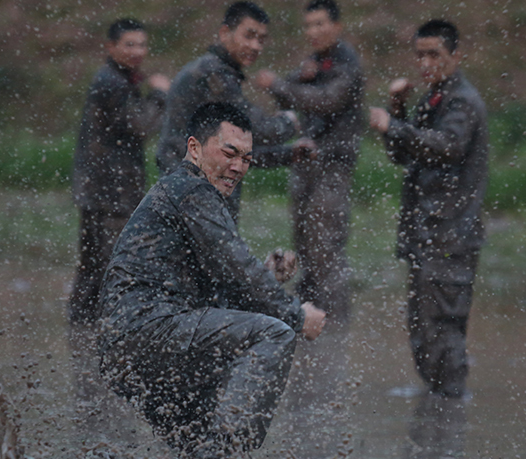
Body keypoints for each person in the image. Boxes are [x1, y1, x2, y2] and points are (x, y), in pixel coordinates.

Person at [99, 103, 326, 459]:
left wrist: (266, 275)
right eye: (229, 153)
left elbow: (219, 284)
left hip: (133, 344)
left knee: (196, 441)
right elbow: (237, 269)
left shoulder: (186, 194)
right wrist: (296, 315)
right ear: (194, 148)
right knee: (275, 334)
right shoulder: (192, 190)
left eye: (247, 159)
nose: (238, 167)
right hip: (149, 331)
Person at [369, 19, 488, 398]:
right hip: (428, 235)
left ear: (455, 56)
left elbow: (446, 146)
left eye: (433, 55)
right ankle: (436, 415)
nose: (425, 64)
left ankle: (450, 415)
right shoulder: (434, 98)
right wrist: (398, 110)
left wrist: (394, 126)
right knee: (423, 330)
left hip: (450, 237)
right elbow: (404, 153)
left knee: (444, 331)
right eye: (419, 55)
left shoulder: (462, 102)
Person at [254, 0, 364, 323]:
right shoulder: (316, 61)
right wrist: (292, 81)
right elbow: (296, 91)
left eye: (319, 24)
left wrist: (279, 84)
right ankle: (307, 321)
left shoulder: (346, 63)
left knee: (325, 251)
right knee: (303, 248)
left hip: (332, 168)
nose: (312, 32)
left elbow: (328, 100)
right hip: (305, 164)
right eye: (308, 25)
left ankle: (334, 329)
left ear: (337, 26)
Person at [154, 1, 300, 219]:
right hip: (194, 195)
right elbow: (258, 130)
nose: (255, 46)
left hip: (190, 191)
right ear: (225, 33)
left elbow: (235, 150)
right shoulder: (214, 75)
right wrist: (289, 122)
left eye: (261, 39)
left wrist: (289, 154)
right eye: (249, 36)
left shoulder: (213, 70)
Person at [68, 18, 170, 325]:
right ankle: (100, 332)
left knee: (94, 266)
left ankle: (84, 333)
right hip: (109, 192)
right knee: (112, 264)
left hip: (102, 189)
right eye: (129, 44)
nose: (138, 51)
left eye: (141, 44)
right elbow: (141, 126)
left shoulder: (119, 78)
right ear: (111, 47)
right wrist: (160, 95)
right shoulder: (112, 82)